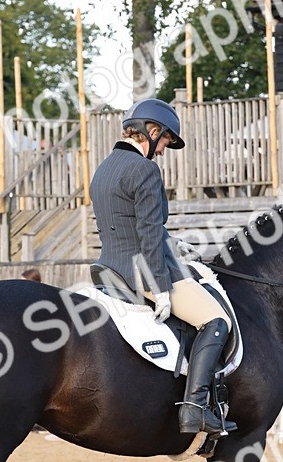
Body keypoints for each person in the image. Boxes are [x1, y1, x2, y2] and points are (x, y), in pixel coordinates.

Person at [89, 97, 236, 436]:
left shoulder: (104, 168)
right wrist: (161, 288)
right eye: (166, 141)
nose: (163, 151)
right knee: (216, 320)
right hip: (143, 272)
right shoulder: (144, 169)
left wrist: (174, 244)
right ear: (151, 131)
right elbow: (149, 233)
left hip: (110, 265)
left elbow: (128, 225)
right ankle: (195, 408)